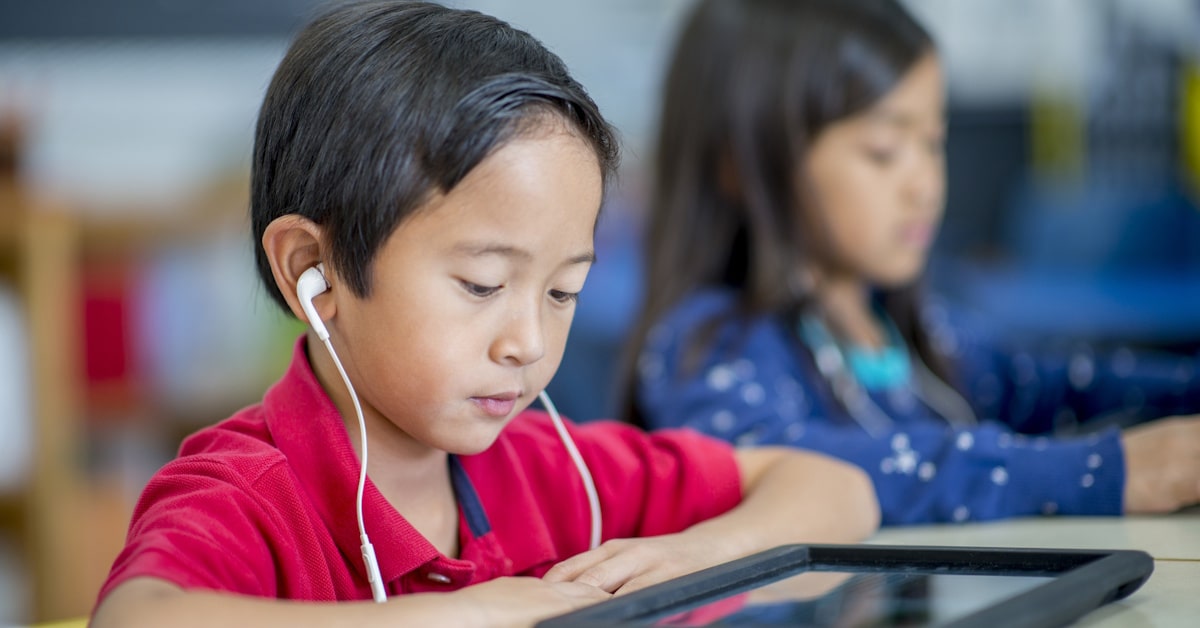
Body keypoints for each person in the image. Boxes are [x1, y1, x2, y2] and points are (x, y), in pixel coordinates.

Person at [89, 2, 880, 626]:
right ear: (312, 271)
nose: (528, 343)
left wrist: (701, 555)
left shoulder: (555, 472)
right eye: (480, 285)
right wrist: (458, 617)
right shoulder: (245, 497)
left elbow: (834, 488)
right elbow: (136, 618)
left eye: (562, 292)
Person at [624, 0, 1200, 526]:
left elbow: (1059, 383)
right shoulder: (709, 348)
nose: (925, 185)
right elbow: (788, 471)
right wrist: (1095, 471)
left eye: (932, 143)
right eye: (884, 152)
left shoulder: (910, 334)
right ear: (743, 168)